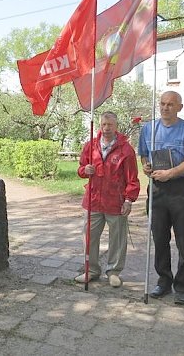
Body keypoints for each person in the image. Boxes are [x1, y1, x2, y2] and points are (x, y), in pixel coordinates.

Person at [138, 91, 184, 305]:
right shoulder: (148, 128)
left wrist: (170, 173)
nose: (165, 108)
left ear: (179, 107)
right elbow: (144, 154)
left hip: (180, 190)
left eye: (170, 104)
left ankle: (182, 286)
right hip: (156, 190)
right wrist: (146, 166)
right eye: (163, 104)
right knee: (159, 239)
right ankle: (163, 281)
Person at [74, 111, 140, 287]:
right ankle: (91, 270)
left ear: (116, 126)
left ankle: (114, 272)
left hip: (115, 201)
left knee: (117, 239)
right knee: (89, 237)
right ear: (100, 126)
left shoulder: (126, 149)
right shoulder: (91, 145)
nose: (106, 128)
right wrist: (84, 170)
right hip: (93, 199)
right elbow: (81, 168)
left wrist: (128, 200)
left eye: (110, 125)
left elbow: (132, 178)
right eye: (103, 124)